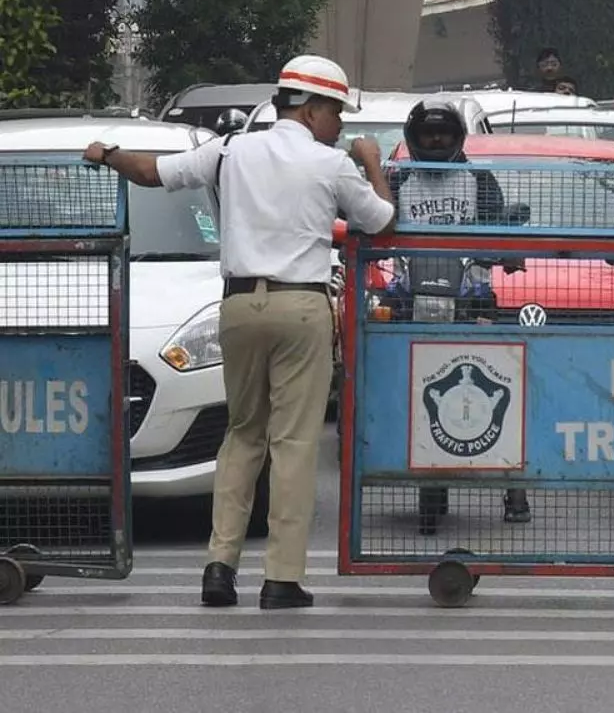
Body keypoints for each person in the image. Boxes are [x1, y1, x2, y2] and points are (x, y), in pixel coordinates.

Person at [83, 55, 396, 610]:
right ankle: (281, 579)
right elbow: (380, 221)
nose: (340, 124)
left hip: (239, 307)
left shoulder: (230, 150)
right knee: (293, 442)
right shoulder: (331, 164)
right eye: (337, 113)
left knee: (243, 433)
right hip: (300, 306)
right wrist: (372, 163)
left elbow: (153, 173)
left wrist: (107, 154)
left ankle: (219, 567)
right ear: (312, 109)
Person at [390, 100, 531, 525]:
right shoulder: (398, 179)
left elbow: (500, 226)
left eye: (444, 134)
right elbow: (374, 221)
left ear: (458, 138)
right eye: (428, 134)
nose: (436, 140)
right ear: (413, 139)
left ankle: (515, 487)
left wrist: (508, 249)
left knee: (502, 380)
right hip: (410, 295)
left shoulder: (479, 179)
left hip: (470, 296)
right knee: (383, 375)